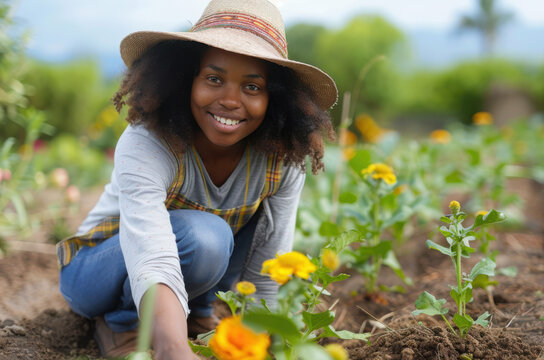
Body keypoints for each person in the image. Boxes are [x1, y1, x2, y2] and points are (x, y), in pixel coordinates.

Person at [55, 0, 337, 359]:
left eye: (252, 87)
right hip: (96, 273)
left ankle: (197, 314)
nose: (230, 100)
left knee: (252, 227)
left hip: (187, 273)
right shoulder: (149, 142)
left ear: (275, 97)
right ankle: (123, 324)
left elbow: (269, 263)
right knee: (206, 236)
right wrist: (172, 350)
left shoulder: (281, 159)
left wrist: (267, 345)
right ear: (185, 79)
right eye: (214, 79)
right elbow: (150, 254)